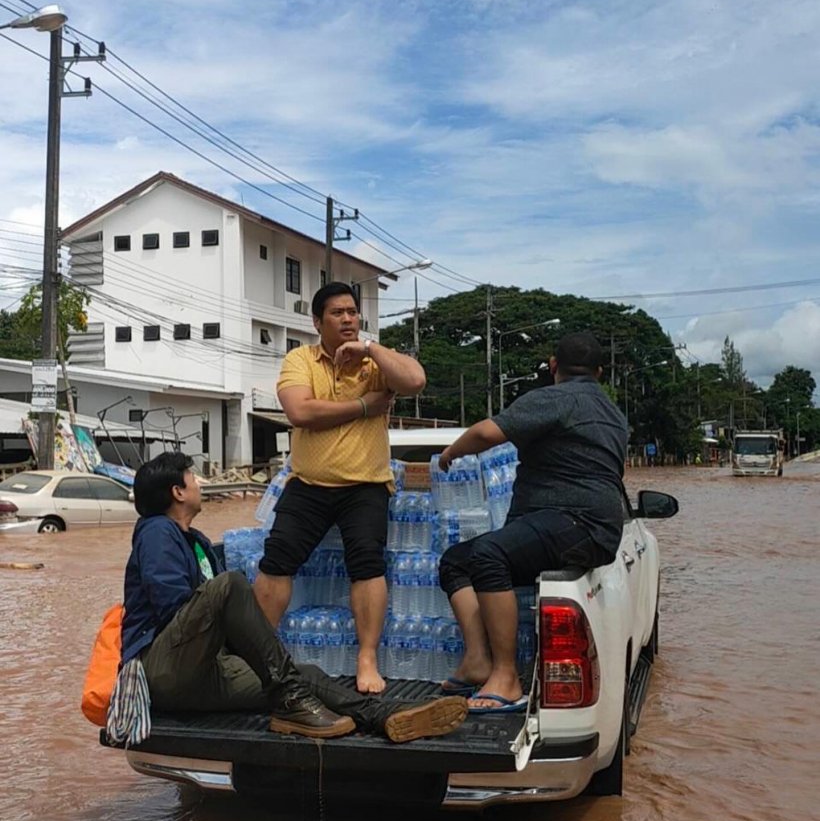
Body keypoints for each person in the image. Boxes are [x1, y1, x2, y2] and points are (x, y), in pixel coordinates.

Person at [113, 451, 467, 746]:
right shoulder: (158, 531)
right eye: (192, 477)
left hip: (201, 668)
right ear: (177, 491)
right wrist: (234, 632)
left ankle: (381, 715)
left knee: (305, 672)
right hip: (162, 669)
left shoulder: (196, 541)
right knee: (231, 585)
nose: (199, 484)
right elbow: (173, 609)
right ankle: (290, 701)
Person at [436, 331, 628, 713]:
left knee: (490, 553)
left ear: (553, 366)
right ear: (600, 372)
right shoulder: (613, 413)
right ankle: (477, 661)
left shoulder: (556, 398)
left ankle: (505, 678)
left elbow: (484, 433)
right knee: (457, 561)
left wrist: (450, 453)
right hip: (592, 526)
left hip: (576, 522)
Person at [252, 282, 426, 693]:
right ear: (317, 322)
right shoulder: (300, 359)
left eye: (352, 312)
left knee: (367, 562)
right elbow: (301, 411)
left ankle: (367, 660)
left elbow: (415, 380)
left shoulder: (374, 362)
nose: (348, 319)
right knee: (276, 558)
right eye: (337, 313)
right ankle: (258, 656)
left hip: (366, 485)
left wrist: (371, 349)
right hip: (308, 484)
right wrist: (366, 406)